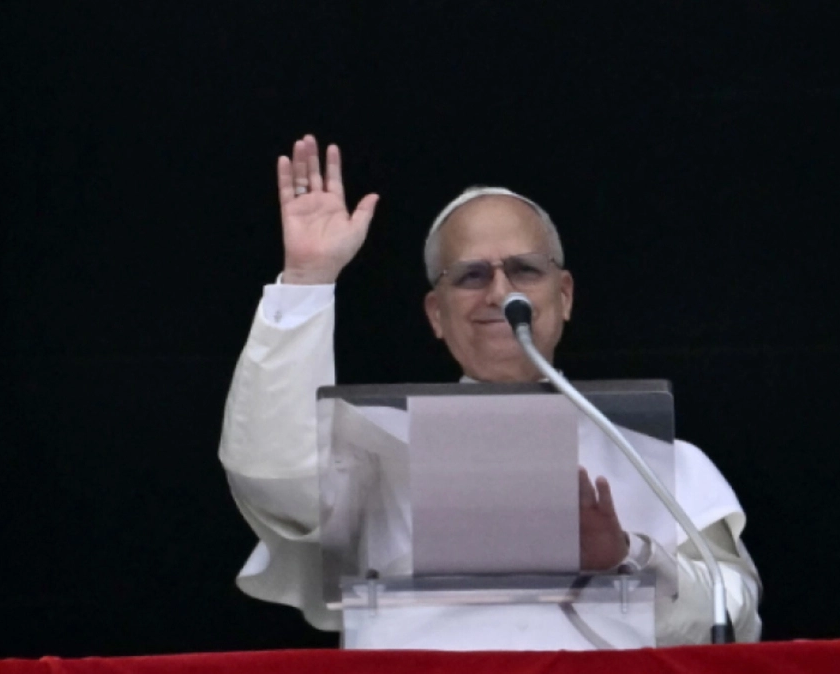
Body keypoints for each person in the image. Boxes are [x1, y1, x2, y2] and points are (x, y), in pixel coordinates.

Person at [219, 135, 762, 647]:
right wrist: (307, 282)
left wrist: (627, 558)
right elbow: (272, 475)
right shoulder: (367, 455)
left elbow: (733, 619)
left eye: (525, 270)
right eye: (471, 276)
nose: (501, 293)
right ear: (436, 313)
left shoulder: (663, 464)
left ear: (564, 295)